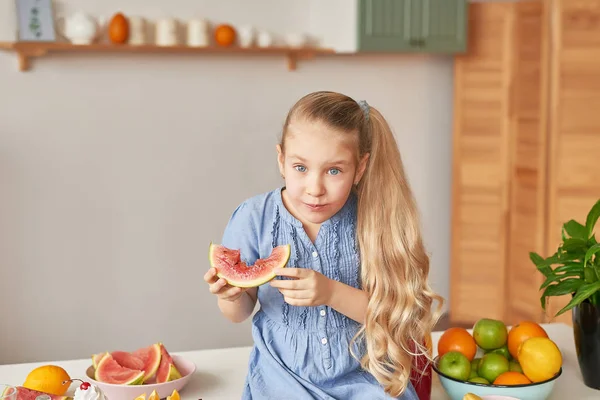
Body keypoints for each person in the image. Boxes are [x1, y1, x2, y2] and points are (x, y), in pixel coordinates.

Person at [204, 91, 443, 399]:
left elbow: (393, 315)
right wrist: (231, 295)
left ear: (359, 168)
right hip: (282, 380)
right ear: (281, 160)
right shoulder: (253, 218)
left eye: (334, 170)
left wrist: (331, 292)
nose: (315, 189)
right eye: (300, 168)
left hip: (363, 377)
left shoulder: (372, 220)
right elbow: (239, 313)